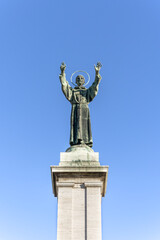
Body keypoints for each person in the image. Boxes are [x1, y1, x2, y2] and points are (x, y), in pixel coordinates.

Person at [59, 62, 102, 148]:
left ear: (84, 81)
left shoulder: (87, 92)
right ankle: (75, 141)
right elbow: (65, 86)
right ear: (75, 81)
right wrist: (63, 73)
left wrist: (97, 73)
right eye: (78, 78)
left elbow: (94, 86)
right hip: (75, 110)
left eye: (81, 78)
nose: (79, 79)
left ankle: (85, 142)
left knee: (84, 126)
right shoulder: (72, 91)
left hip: (84, 110)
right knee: (76, 126)